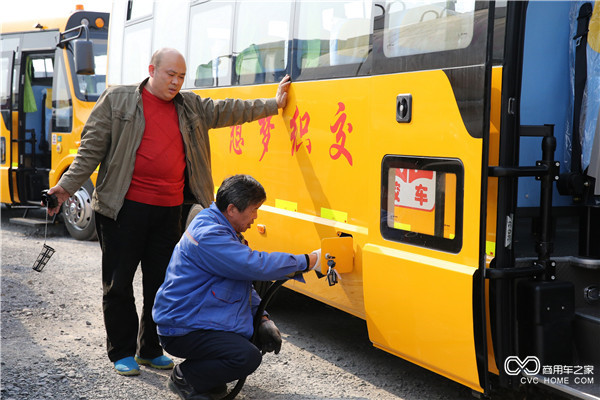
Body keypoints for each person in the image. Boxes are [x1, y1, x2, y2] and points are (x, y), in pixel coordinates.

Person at [46, 48, 292, 376]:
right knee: (118, 284)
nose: (176, 82)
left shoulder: (190, 106)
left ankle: (149, 349)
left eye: (181, 76)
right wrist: (63, 189)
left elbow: (229, 110)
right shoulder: (117, 100)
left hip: (169, 211)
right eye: (170, 75)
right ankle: (121, 351)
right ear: (152, 69)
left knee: (161, 283)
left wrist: (273, 104)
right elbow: (89, 152)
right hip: (122, 210)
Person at [153, 174, 321, 400]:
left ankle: (208, 377)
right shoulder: (210, 235)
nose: (255, 217)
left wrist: (263, 318)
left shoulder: (217, 224)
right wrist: (307, 261)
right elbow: (256, 265)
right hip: (182, 328)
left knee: (250, 333)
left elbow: (240, 282)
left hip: (192, 318)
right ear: (232, 209)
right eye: (253, 210)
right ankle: (186, 377)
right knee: (246, 356)